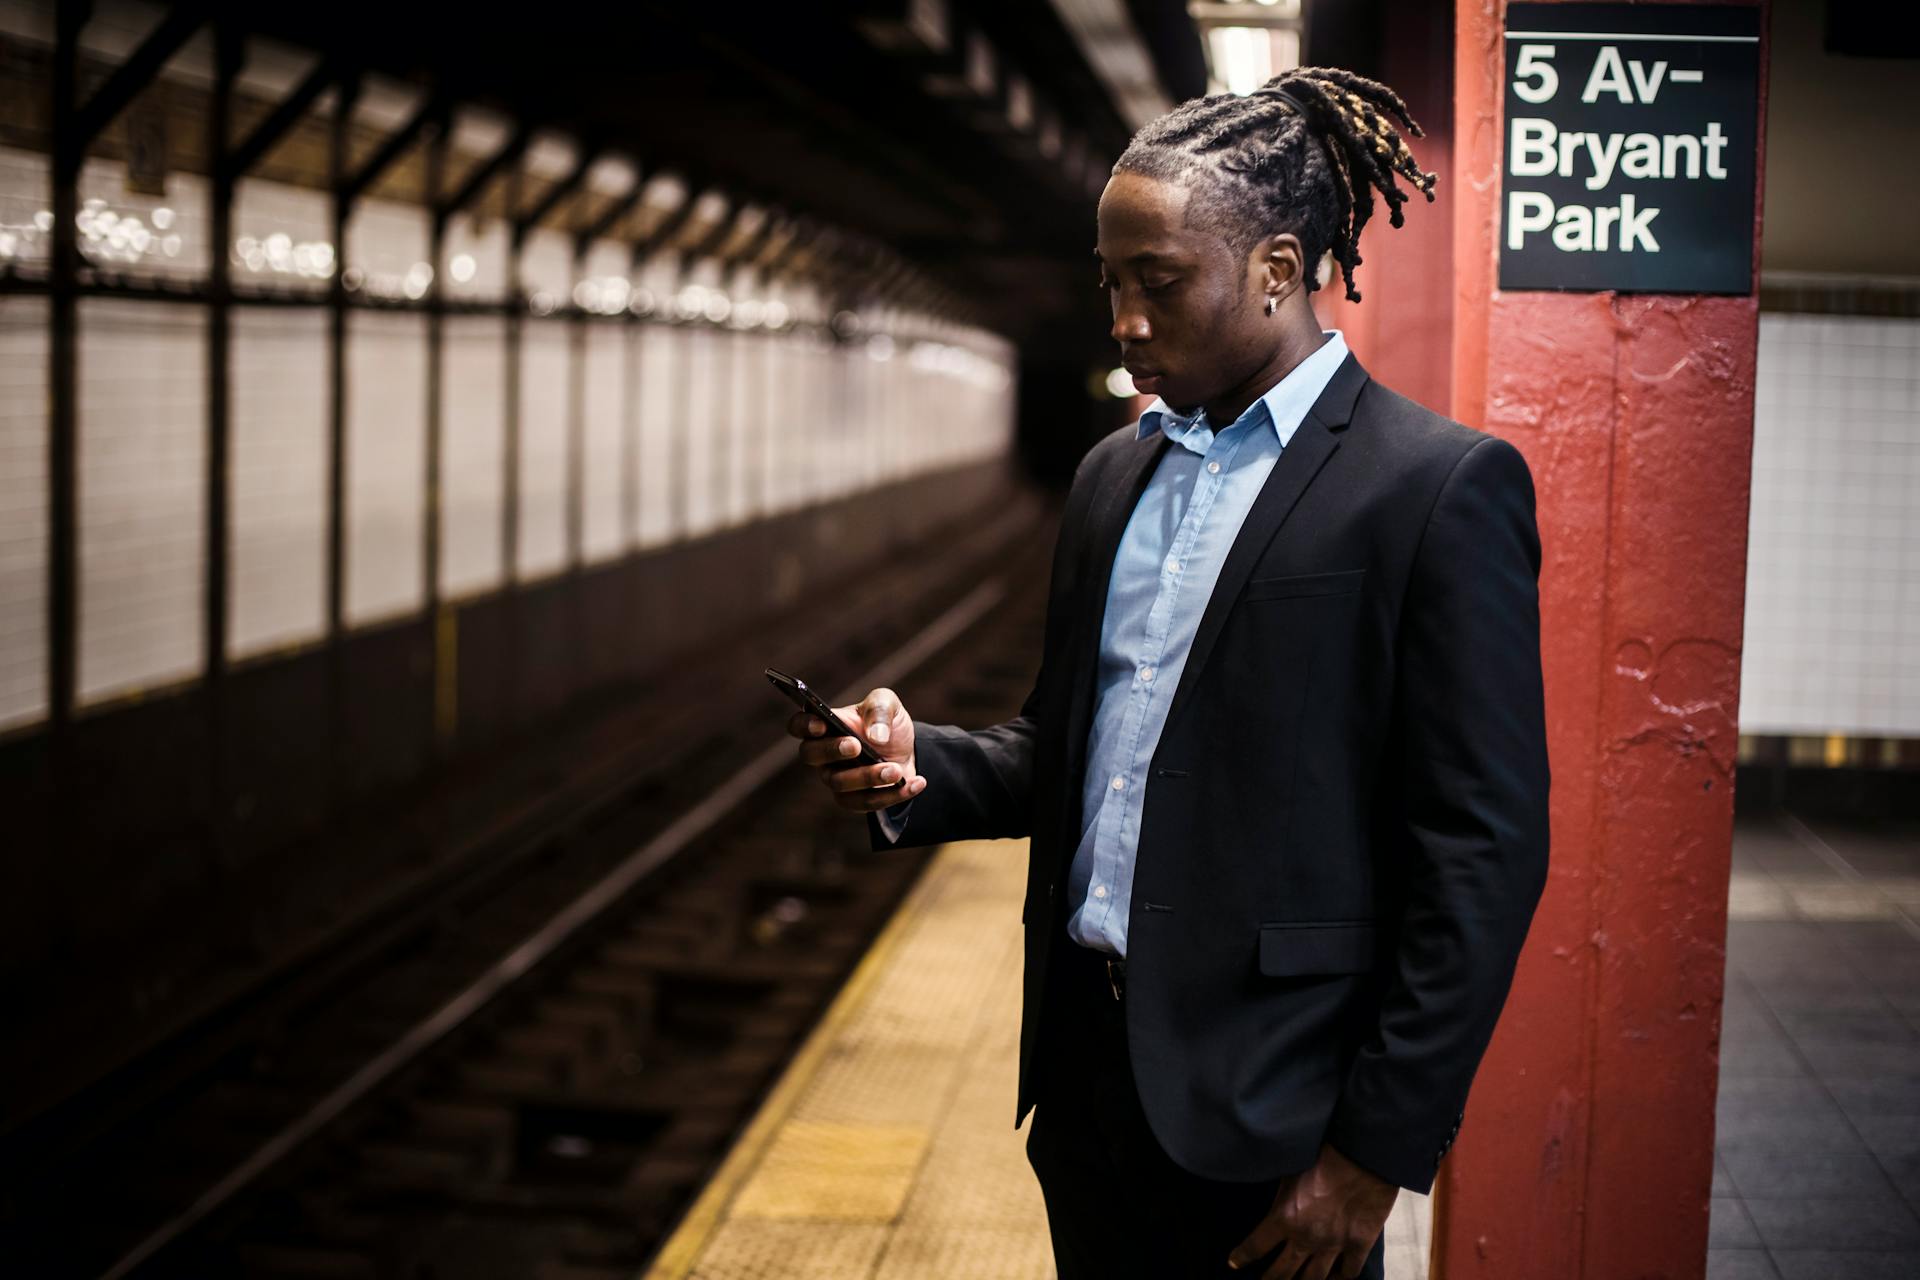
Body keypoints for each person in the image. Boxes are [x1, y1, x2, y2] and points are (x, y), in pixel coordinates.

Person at [787, 66, 1549, 1280]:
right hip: (1088, 1094)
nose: (1125, 320)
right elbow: (1070, 746)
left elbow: (1484, 847)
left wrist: (1373, 1153)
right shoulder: (1113, 476)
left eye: (1160, 282)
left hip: (1275, 1120)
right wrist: (918, 759)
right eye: (1111, 283)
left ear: (1279, 271)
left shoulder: (1433, 489)